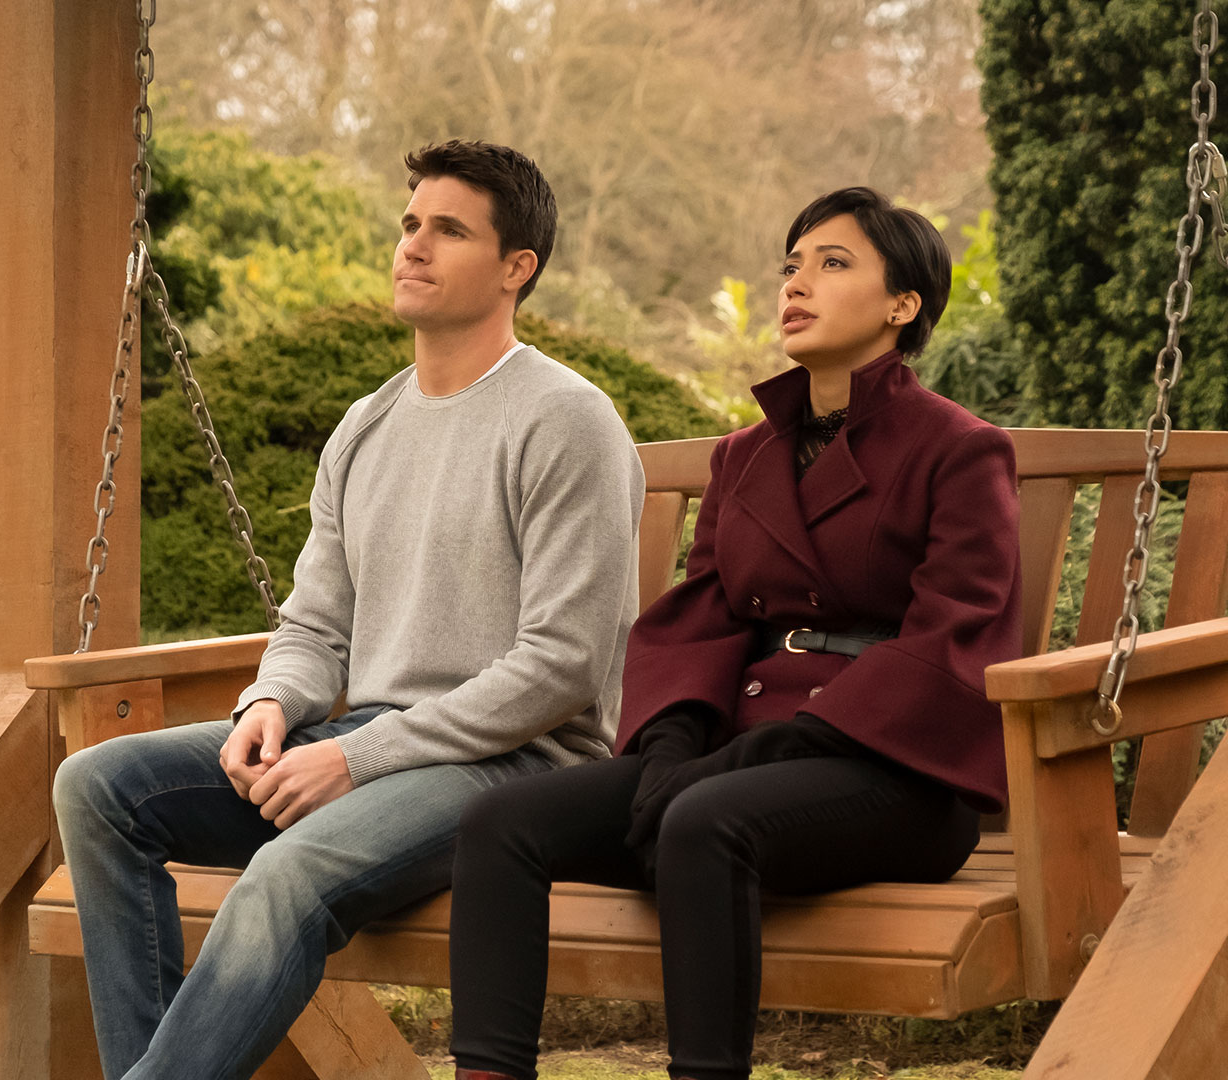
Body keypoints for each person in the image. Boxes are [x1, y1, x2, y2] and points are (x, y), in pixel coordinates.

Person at [52, 139, 647, 1080]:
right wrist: (269, 703)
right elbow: (315, 625)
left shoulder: (566, 420)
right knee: (99, 788)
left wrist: (354, 758)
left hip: (511, 768)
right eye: (410, 223)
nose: (414, 244)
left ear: (516, 267)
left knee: (285, 873)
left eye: (449, 230)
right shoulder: (367, 425)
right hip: (367, 746)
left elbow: (562, 666)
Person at [446, 187, 1023, 1080]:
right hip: (736, 754)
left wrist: (755, 757)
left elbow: (957, 632)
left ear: (903, 305)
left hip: (896, 768)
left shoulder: (958, 449)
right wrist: (673, 748)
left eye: (833, 263)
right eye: (792, 265)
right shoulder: (743, 456)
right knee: (500, 822)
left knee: (705, 821)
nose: (797, 283)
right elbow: (702, 619)